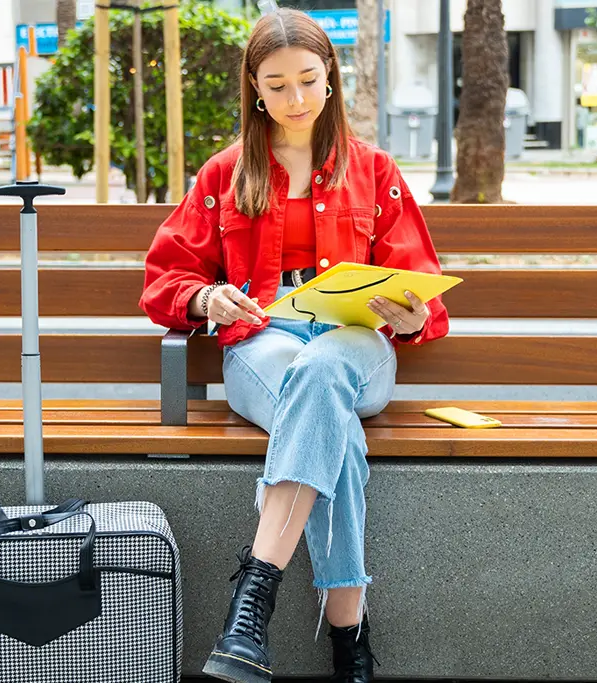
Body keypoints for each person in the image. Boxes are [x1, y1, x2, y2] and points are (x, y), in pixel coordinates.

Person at [140, 9, 448, 683]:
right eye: (277, 85)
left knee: (325, 368)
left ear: (332, 77)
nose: (297, 99)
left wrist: (408, 309)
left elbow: (424, 291)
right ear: (254, 87)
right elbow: (167, 274)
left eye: (309, 80)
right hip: (263, 345)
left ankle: (255, 594)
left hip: (357, 346)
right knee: (325, 411)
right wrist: (206, 298)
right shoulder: (225, 175)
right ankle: (350, 643)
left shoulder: (375, 169)